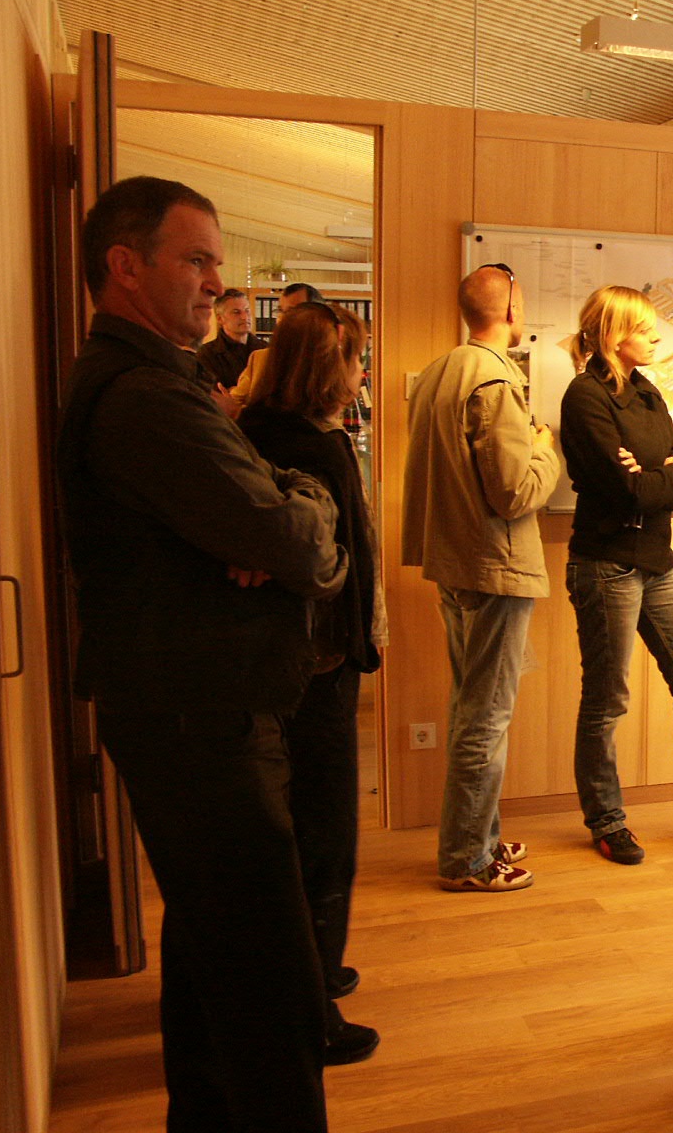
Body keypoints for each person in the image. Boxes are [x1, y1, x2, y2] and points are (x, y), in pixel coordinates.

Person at [56, 176, 347, 1131]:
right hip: (201, 720)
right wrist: (301, 513)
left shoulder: (159, 383)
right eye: (197, 261)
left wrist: (284, 510)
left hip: (194, 708)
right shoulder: (145, 398)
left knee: (213, 963)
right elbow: (303, 546)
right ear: (125, 266)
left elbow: (277, 512)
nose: (218, 283)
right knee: (273, 997)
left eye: (216, 262)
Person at [238, 301, 385, 1064]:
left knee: (298, 827)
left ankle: (314, 973)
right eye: (356, 361)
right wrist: (362, 640)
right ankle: (312, 1004)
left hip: (275, 661)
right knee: (325, 836)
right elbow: (337, 562)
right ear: (331, 369)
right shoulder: (318, 448)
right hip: (316, 662)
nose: (362, 375)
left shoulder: (252, 432)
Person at [559, 286, 673, 865]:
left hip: (657, 561)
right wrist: (660, 476)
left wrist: (661, 475)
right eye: (644, 328)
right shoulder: (585, 396)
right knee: (607, 701)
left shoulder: (647, 391)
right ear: (613, 335)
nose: (656, 336)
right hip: (606, 563)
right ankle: (607, 821)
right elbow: (627, 487)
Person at [403, 262, 560, 891]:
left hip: (455, 561)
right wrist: (546, 448)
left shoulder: (440, 371)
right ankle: (467, 858)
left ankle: (480, 839)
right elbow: (516, 491)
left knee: (471, 708)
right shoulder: (495, 380)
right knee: (486, 718)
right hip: (494, 566)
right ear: (513, 309)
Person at [232, 284, 324, 409]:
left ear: (316, 316)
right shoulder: (260, 358)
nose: (282, 318)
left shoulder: (329, 360)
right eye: (280, 311)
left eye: (292, 312)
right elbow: (236, 402)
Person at [197, 287, 264, 390]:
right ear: (220, 318)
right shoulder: (207, 354)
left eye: (247, 311)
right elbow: (213, 393)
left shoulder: (265, 349)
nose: (245, 317)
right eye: (236, 312)